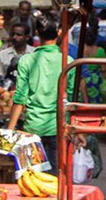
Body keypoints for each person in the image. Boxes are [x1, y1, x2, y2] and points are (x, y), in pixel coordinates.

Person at [8, 11, 64, 166]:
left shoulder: (26, 61)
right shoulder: (68, 62)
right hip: (58, 127)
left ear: (37, 33)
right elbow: (70, 97)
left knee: (32, 179)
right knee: (54, 179)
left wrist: (9, 131)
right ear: (59, 32)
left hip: (32, 129)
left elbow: (20, 98)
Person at [0, 19, 31, 86]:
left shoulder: (34, 53)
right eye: (13, 34)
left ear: (27, 37)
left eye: (19, 35)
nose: (14, 37)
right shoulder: (3, 54)